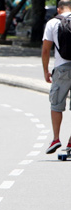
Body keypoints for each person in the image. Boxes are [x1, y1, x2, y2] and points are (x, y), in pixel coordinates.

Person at [42, 0, 71, 154]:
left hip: (61, 69)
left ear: (59, 9)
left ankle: (56, 138)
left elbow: (46, 50)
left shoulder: (53, 22)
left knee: (56, 105)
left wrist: (46, 70)